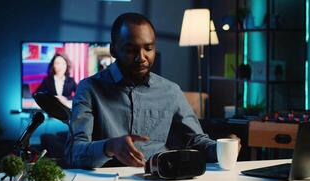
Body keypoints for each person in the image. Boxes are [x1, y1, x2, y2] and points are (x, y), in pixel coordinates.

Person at [66, 12, 240, 168]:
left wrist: (222, 148)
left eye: (148, 48)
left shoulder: (170, 91)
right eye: (131, 50)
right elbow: (74, 154)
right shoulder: (89, 89)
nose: (141, 57)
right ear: (113, 50)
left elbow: (195, 141)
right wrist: (110, 147)